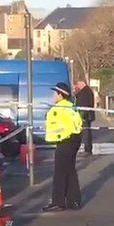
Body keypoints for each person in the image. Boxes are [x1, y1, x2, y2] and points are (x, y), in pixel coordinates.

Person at [43, 82, 84, 212]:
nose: (52, 95)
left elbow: (57, 128)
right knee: (70, 170)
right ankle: (74, 201)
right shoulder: (71, 107)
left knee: (60, 173)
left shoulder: (58, 109)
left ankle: (58, 202)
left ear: (60, 95)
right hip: (74, 140)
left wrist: (56, 137)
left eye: (54, 93)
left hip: (65, 141)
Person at [74, 80, 95, 155]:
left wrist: (83, 115)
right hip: (85, 115)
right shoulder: (85, 91)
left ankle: (88, 149)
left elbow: (85, 104)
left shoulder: (86, 92)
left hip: (85, 115)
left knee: (86, 133)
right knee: (85, 133)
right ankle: (87, 149)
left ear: (82, 84)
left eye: (78, 85)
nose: (77, 86)